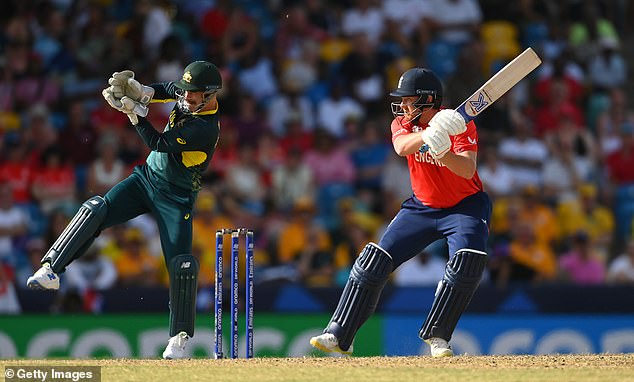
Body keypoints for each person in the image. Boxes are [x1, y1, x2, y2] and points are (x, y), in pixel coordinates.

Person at [26, 60, 223, 360]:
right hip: (146, 179)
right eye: (186, 91)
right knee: (96, 208)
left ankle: (179, 338)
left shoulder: (205, 128)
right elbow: (167, 89)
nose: (185, 97)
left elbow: (157, 142)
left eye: (193, 94)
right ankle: (51, 268)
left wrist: (133, 113)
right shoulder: (187, 97)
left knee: (181, 264)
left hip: (176, 197)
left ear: (209, 96)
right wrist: (142, 91)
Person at [309, 67, 491, 357]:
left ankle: (438, 336)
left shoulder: (460, 125)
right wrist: (430, 135)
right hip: (422, 206)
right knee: (374, 261)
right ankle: (340, 334)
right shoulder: (403, 123)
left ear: (428, 100)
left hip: (464, 207)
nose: (403, 106)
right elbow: (401, 147)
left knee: (467, 263)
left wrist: (443, 151)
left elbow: (467, 168)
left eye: (408, 100)